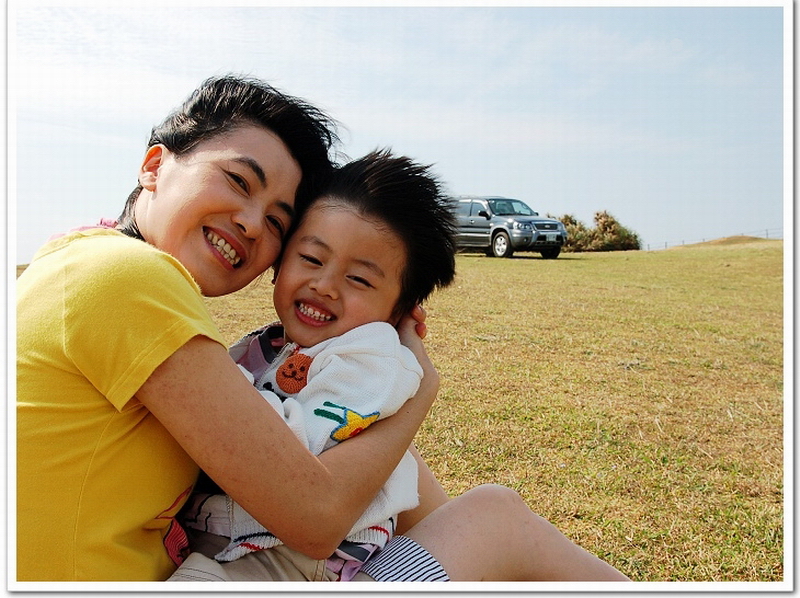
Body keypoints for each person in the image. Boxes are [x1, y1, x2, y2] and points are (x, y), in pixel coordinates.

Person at [17, 74, 630, 583]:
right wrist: (418, 386)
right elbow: (314, 517)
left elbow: (368, 481)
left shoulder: (87, 261)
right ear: (155, 165)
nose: (253, 224)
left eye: (278, 218)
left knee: (429, 493)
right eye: (238, 180)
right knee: (497, 518)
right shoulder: (128, 277)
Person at [169, 150, 458, 581]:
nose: (324, 286)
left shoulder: (371, 360)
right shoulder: (265, 344)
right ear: (280, 261)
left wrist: (212, 387)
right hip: (229, 545)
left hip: (288, 563)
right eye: (311, 258)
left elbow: (295, 457)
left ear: (400, 310)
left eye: (359, 279)